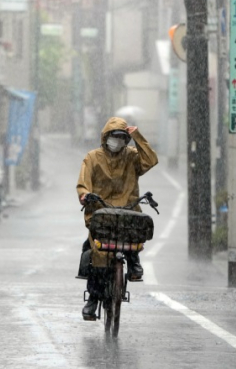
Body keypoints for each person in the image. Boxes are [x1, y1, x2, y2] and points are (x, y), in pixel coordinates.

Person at [76, 116, 158, 319]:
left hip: (128, 214)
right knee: (97, 253)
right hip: (101, 215)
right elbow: (83, 183)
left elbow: (151, 160)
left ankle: (134, 259)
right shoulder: (92, 158)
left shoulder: (132, 157)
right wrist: (85, 195)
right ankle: (93, 299)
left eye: (123, 137)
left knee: (135, 235)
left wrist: (137, 135)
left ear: (127, 139)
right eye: (115, 136)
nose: (118, 141)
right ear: (105, 137)